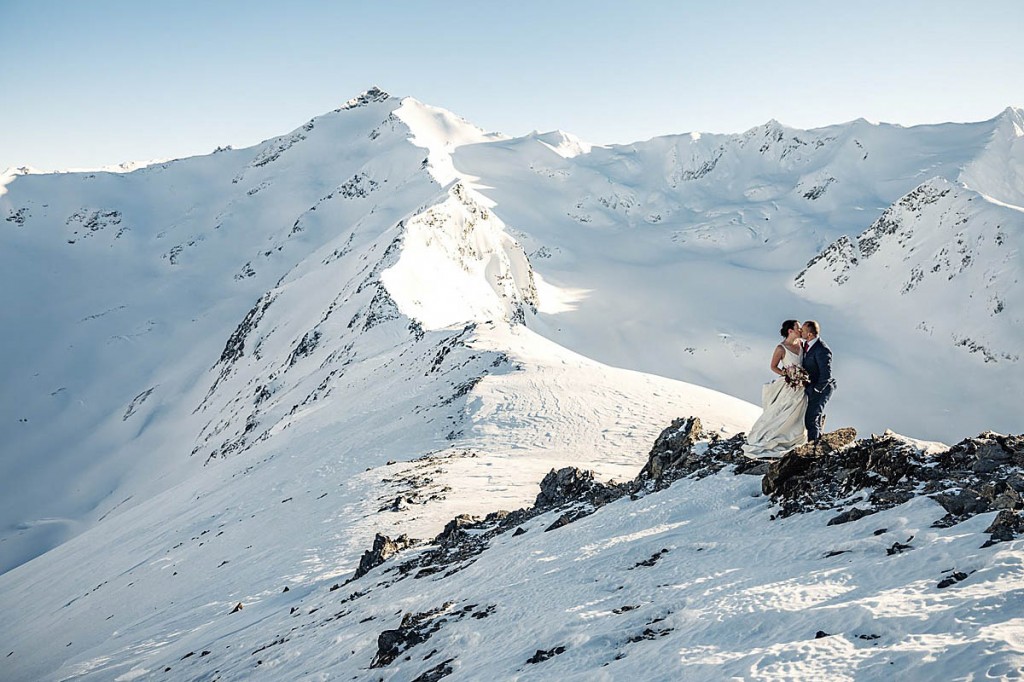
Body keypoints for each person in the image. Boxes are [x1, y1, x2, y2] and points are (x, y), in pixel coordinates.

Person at [742, 320, 809, 458]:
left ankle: (792, 437)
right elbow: (773, 366)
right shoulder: (781, 348)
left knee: (797, 412)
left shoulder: (801, 344)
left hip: (801, 385)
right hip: (789, 384)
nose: (801, 329)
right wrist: (787, 374)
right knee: (781, 411)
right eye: (798, 327)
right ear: (790, 331)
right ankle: (769, 438)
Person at [801, 320, 836, 442]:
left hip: (822, 389)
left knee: (811, 418)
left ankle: (813, 450)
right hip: (812, 387)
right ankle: (817, 444)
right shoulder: (806, 345)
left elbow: (826, 375)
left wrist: (816, 390)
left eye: (803, 330)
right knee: (813, 418)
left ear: (810, 334)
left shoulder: (822, 350)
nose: (801, 332)